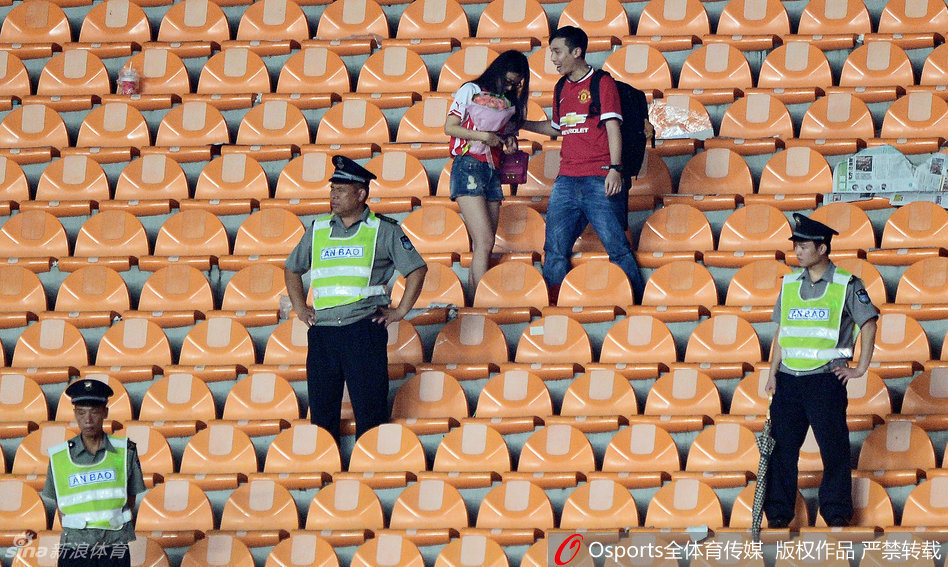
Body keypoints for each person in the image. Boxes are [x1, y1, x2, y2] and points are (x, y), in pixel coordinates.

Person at [284, 155, 428, 441]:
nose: (333, 195)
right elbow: (292, 268)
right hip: (323, 332)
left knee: (370, 414)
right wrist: (301, 308)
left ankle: (369, 476)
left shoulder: (384, 229)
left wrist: (399, 312)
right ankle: (324, 473)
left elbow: (417, 269)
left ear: (361, 194)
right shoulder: (319, 229)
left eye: (341, 190)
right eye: (332, 189)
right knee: (321, 419)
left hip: (363, 330)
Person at [764, 213, 878, 528]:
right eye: (796, 246)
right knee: (781, 453)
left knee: (834, 451)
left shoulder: (846, 284)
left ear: (823, 248)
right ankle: (777, 518)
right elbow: (782, 333)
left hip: (825, 380)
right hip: (788, 381)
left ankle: (837, 515)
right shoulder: (788, 284)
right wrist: (772, 372)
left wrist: (859, 369)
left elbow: (868, 323)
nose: (798, 251)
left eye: (804, 246)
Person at [522, 26, 644, 302]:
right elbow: (555, 128)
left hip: (598, 178)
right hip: (566, 179)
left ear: (576, 52)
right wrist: (522, 124)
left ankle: (636, 302)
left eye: (557, 51)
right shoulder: (560, 87)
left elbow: (613, 127)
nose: (552, 57)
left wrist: (615, 169)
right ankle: (553, 305)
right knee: (553, 249)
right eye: (551, 51)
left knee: (618, 249)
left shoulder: (602, 83)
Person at [444, 50, 530, 298]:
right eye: (508, 81)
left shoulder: (508, 100)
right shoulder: (471, 90)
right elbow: (450, 127)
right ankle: (480, 304)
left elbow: (503, 133)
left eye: (516, 83)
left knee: (486, 245)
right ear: (498, 72)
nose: (511, 86)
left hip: (493, 168)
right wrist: (485, 137)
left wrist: (508, 139)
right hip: (468, 164)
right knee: (483, 243)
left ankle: (475, 303)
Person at [41, 379, 146, 567]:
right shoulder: (59, 457)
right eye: (81, 413)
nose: (87, 420)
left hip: (114, 547)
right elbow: (61, 507)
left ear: (105, 412)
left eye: (94, 412)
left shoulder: (125, 452)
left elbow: (130, 501)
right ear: (74, 414)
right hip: (75, 548)